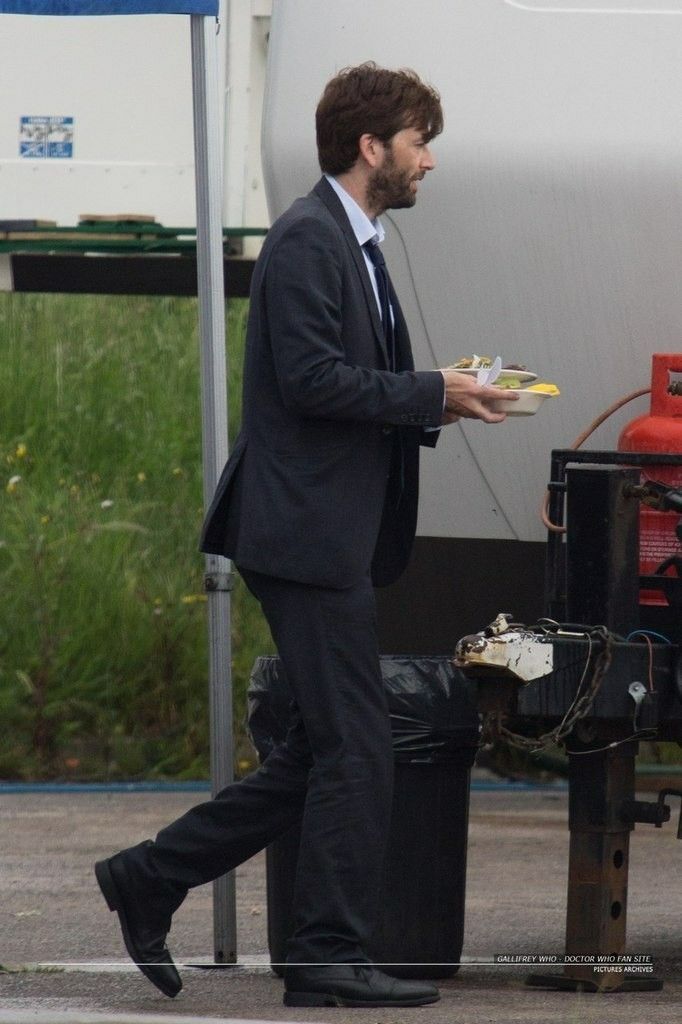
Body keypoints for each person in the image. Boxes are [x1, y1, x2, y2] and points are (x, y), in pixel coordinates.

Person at [95, 62, 517, 1009]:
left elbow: (341, 382)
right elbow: (313, 380)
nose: (428, 161)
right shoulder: (307, 241)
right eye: (417, 143)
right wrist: (431, 392)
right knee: (359, 748)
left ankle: (149, 876)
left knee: (326, 748)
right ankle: (325, 953)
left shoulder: (352, 242)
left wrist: (444, 399)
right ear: (371, 147)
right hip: (301, 537)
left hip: (327, 535)